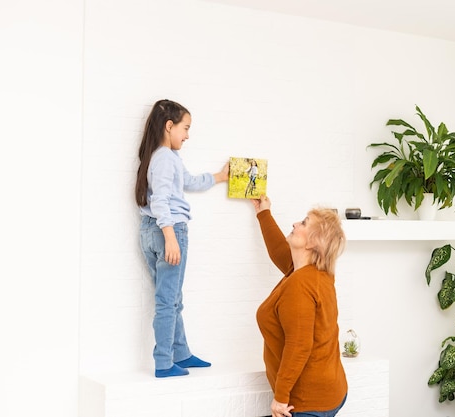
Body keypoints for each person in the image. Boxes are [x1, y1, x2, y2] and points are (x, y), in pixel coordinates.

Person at [135, 99, 229, 378]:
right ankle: (164, 361)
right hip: (168, 230)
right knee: (168, 300)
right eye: (185, 128)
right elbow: (161, 199)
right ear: (169, 126)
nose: (187, 135)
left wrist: (220, 177)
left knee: (172, 298)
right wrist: (170, 238)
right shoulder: (164, 158)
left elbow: (187, 181)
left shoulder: (164, 157)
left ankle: (181, 352)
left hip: (153, 230)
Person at [251, 195, 348, 417]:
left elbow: (298, 346)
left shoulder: (301, 285)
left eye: (304, 223)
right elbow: (279, 251)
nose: (295, 224)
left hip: (308, 402)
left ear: (313, 241)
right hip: (330, 390)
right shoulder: (313, 272)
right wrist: (263, 212)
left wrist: (280, 398)